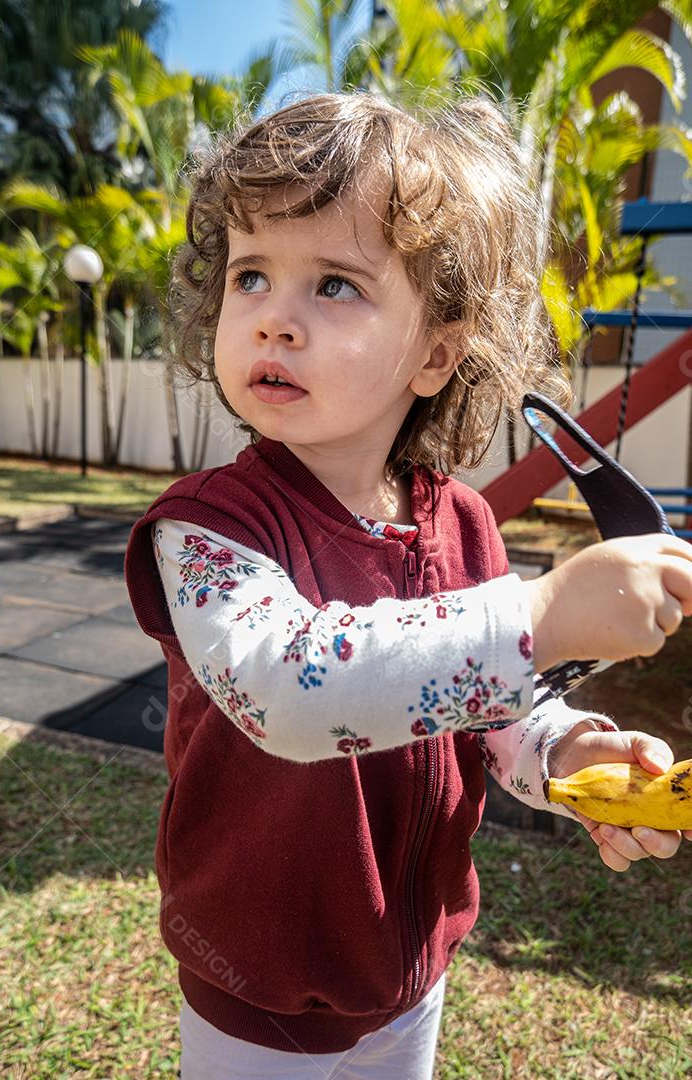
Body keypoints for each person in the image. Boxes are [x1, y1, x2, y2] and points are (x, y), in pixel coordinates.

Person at [124, 89, 692, 1080]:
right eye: (251, 274)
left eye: (334, 285)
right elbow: (289, 689)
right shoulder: (208, 529)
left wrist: (566, 755)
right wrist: (542, 615)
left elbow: (491, 712)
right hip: (258, 988)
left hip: (412, 966)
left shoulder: (463, 522)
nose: (275, 320)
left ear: (435, 353)